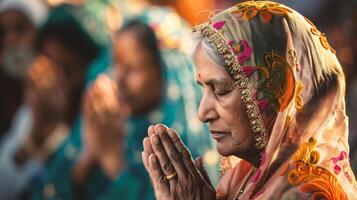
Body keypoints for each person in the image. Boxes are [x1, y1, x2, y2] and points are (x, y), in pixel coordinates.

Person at [142, 1, 357, 199]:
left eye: (221, 91)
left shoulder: (309, 194)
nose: (203, 113)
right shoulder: (242, 176)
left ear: (276, 93)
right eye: (204, 89)